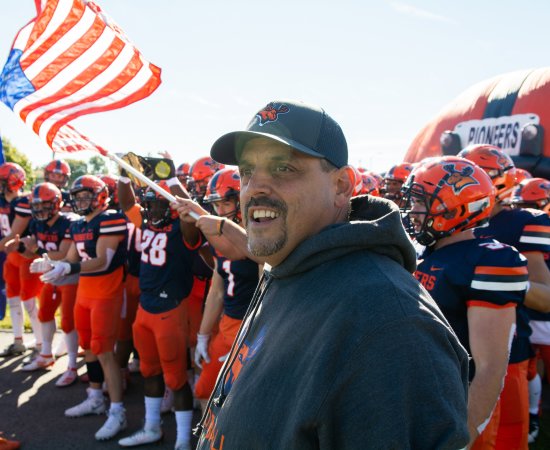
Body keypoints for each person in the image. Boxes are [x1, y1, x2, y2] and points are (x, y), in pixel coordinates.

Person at [191, 99, 470, 449]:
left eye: (283, 168)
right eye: (247, 172)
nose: (255, 188)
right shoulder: (293, 265)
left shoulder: (389, 324)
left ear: (341, 186)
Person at [400, 156, 528, 448]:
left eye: (421, 201)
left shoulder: (490, 259)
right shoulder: (425, 251)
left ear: (456, 205)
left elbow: (489, 368)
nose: (412, 210)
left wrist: (462, 435)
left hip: (461, 403)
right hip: (426, 393)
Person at [460, 144, 550, 449]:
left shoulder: (524, 221)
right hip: (455, 346)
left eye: (471, 176)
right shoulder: (456, 221)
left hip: (506, 349)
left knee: (505, 439)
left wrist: (502, 282)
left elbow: (546, 297)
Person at [32, 175, 129, 441]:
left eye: (85, 196)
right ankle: (95, 398)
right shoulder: (78, 225)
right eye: (77, 197)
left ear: (100, 195)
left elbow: (102, 261)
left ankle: (118, 412)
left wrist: (67, 267)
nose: (80, 201)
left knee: (105, 351)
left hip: (106, 293)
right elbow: (69, 258)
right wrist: (48, 264)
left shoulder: (110, 219)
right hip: (85, 292)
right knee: (88, 346)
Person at [116, 177, 201, 450]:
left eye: (158, 205)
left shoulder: (181, 228)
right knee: (149, 372)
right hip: (145, 309)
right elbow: (127, 202)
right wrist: (123, 176)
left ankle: (184, 440)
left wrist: (172, 179)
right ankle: (152, 427)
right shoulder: (145, 223)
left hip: (170, 311)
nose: (152, 211)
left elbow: (192, 212)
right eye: (149, 204)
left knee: (176, 379)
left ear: (172, 206)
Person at [174, 168, 260, 410]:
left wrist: (218, 223)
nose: (220, 211)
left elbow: (256, 252)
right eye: (216, 205)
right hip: (227, 325)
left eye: (225, 203)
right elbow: (217, 290)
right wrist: (202, 335)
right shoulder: (220, 230)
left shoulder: (261, 231)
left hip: (254, 328)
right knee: (204, 390)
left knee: (244, 405)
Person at [18, 182, 80, 387]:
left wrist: (36, 254)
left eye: (44, 206)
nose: (39, 211)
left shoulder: (69, 221)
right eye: (36, 206)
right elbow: (33, 249)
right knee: (44, 314)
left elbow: (63, 253)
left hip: (70, 277)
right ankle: (46, 354)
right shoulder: (37, 224)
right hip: (50, 277)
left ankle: (72, 365)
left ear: (55, 204)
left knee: (69, 322)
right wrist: (20, 247)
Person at [0, 162, 43, 358]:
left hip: (26, 256)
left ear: (13, 182)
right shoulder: (3, 202)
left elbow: (13, 236)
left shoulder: (23, 203)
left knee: (29, 300)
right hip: (11, 258)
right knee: (13, 298)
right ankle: (18, 341)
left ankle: (42, 343)